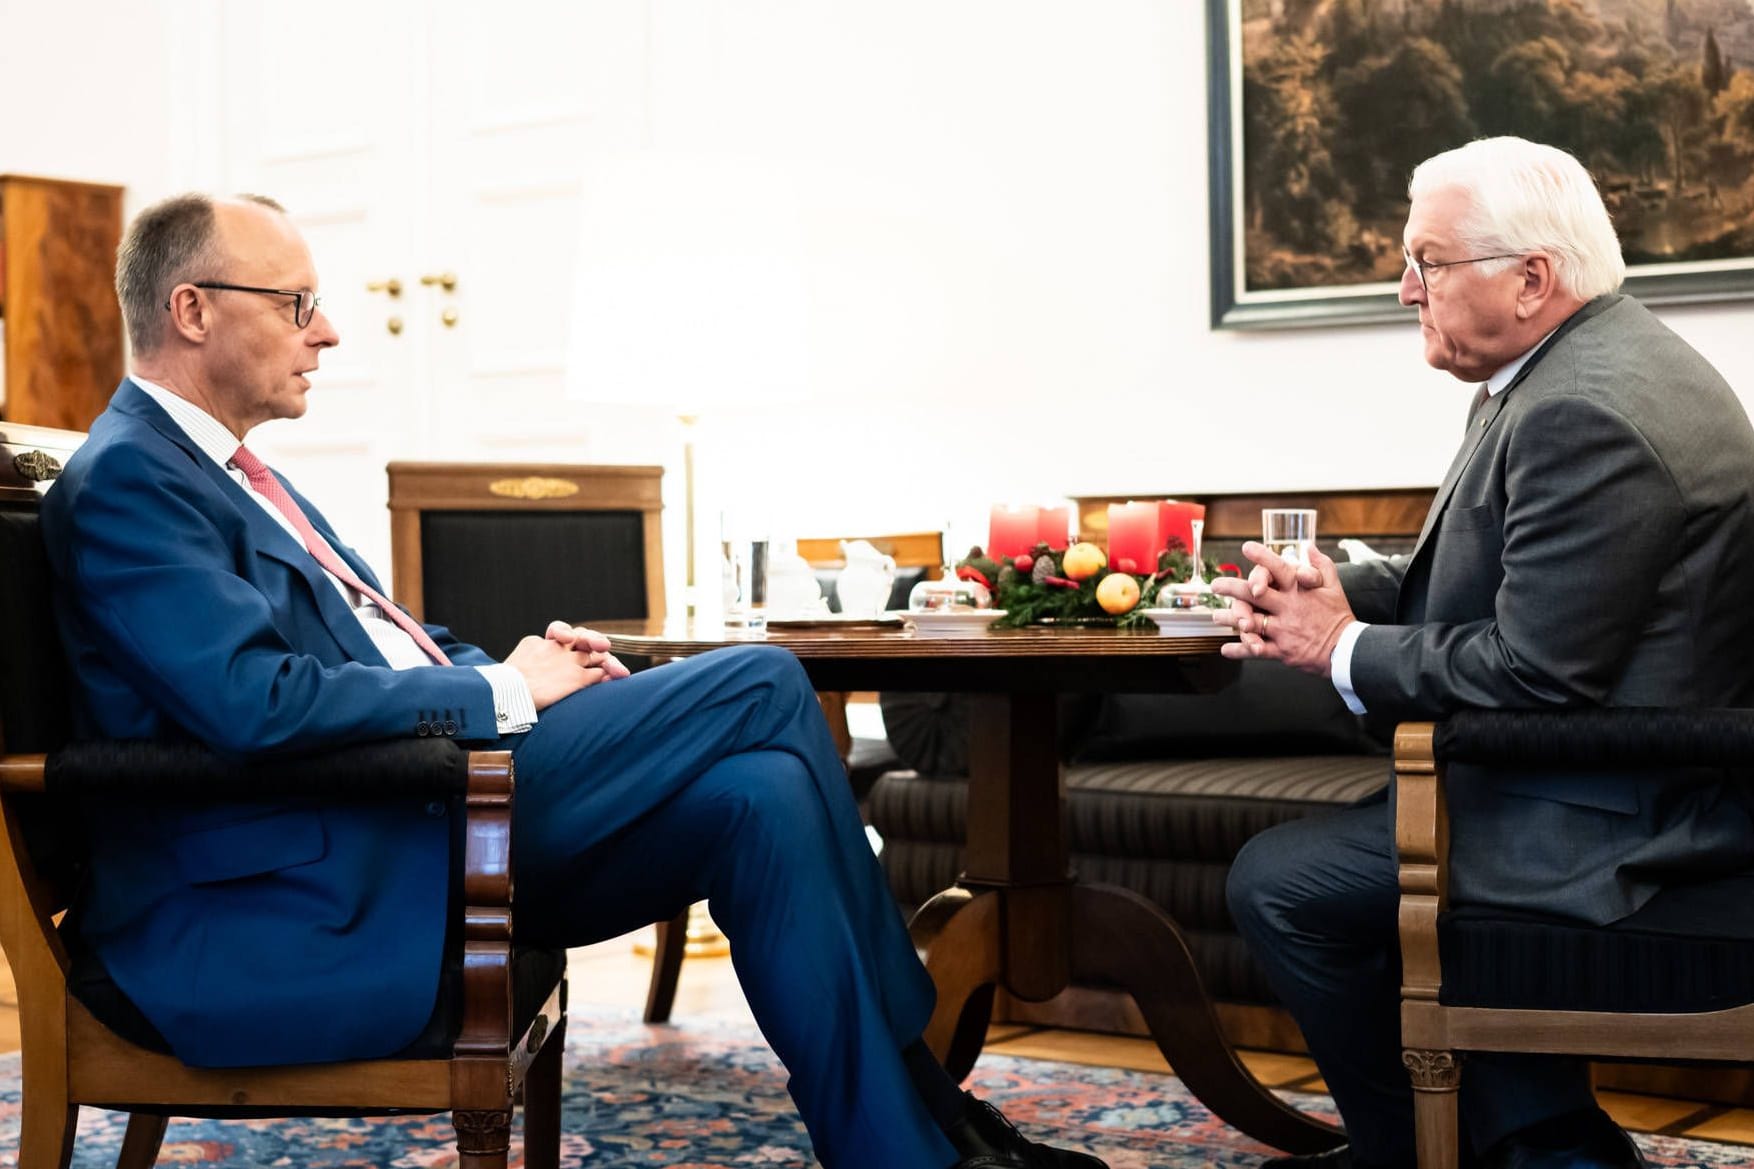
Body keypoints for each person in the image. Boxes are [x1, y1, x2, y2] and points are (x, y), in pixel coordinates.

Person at [41, 191, 1107, 1169]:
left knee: (764, 796)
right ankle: (931, 1093)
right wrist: (504, 696)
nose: (325, 331)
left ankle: (900, 1150)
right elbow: (249, 700)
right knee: (764, 681)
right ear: (191, 309)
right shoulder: (130, 478)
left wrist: (520, 671)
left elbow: (384, 646)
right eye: (298, 302)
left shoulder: (236, 474)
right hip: (318, 882)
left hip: (410, 817)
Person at [1212, 137, 1754, 1169]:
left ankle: (1417, 1149)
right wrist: (1346, 589)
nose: (1403, 285)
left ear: (1529, 279)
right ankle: (1541, 1138)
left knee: (1276, 881)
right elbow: (1509, 580)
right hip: (1599, 772)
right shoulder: (1571, 368)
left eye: (1426, 260)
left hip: (1608, 811)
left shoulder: (1580, 409)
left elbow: (1535, 671)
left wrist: (1339, 643)